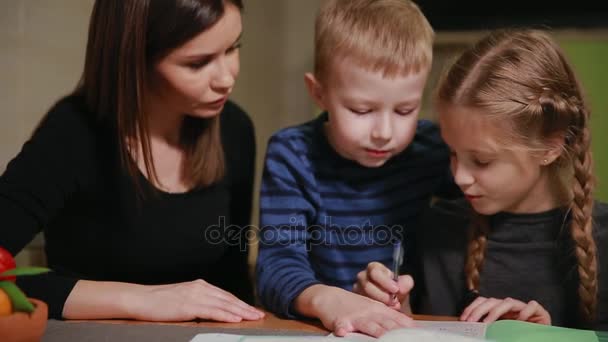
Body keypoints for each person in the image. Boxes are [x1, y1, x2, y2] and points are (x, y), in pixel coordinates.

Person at [0, 0, 265, 323]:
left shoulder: (235, 129)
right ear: (134, 59)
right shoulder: (73, 131)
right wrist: (138, 300)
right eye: (198, 63)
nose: (226, 78)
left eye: (232, 48)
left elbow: (232, 276)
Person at [354, 29, 608, 330]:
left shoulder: (600, 241)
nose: (459, 177)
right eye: (452, 152)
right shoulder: (436, 227)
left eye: (482, 161)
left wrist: (546, 338)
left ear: (551, 145)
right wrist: (395, 309)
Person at [256, 0, 457, 337]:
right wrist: (331, 301)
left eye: (405, 110)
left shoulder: (431, 149)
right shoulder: (293, 154)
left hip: (407, 326)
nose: (384, 132)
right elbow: (276, 265)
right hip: (323, 328)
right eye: (362, 110)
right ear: (318, 93)